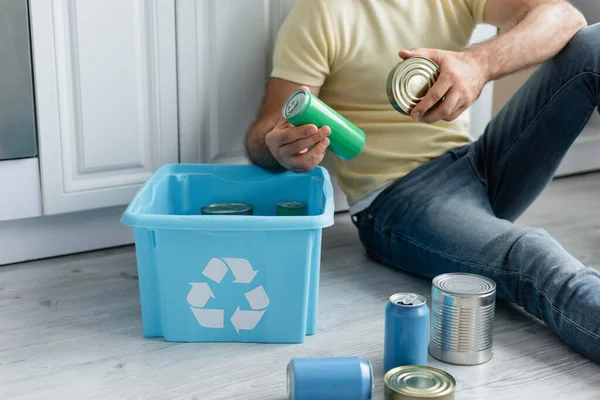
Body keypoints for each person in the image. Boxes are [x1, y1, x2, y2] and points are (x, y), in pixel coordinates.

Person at [243, 0, 600, 363]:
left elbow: (565, 17)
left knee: (594, 44)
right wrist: (279, 148)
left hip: (475, 161)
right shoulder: (323, 12)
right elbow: (266, 132)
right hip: (400, 199)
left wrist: (478, 64)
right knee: (535, 255)